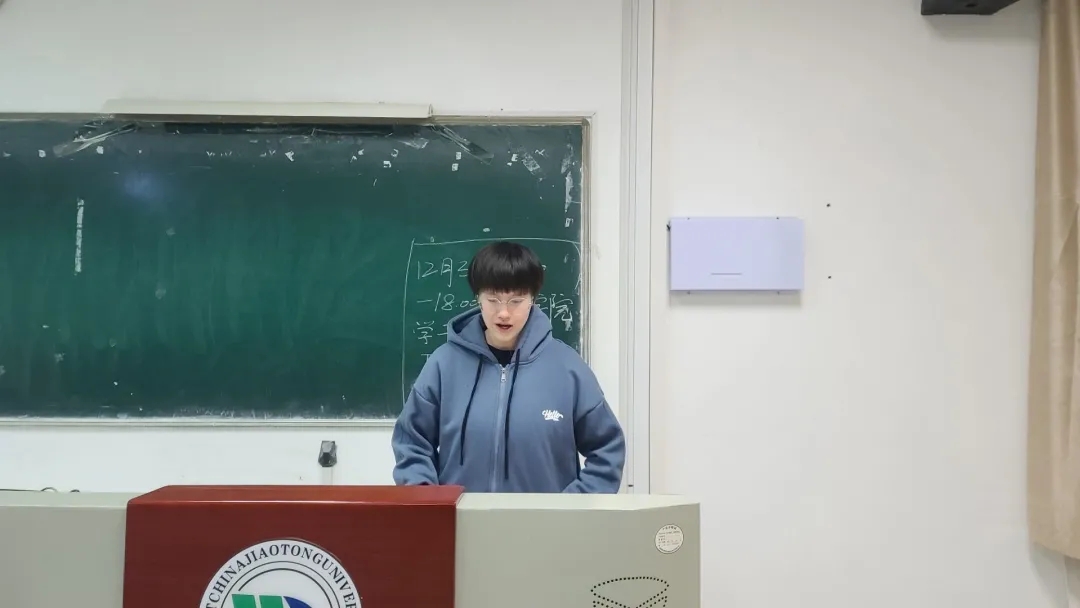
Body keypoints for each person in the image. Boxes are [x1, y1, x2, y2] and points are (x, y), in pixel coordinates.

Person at [391, 241, 625, 493]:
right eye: (493, 299)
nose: (503, 313)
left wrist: (571, 505)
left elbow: (607, 450)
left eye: (516, 301)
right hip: (462, 516)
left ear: (532, 299)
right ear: (479, 298)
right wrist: (428, 499)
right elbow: (411, 441)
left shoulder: (568, 368)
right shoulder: (444, 364)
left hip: (546, 518)